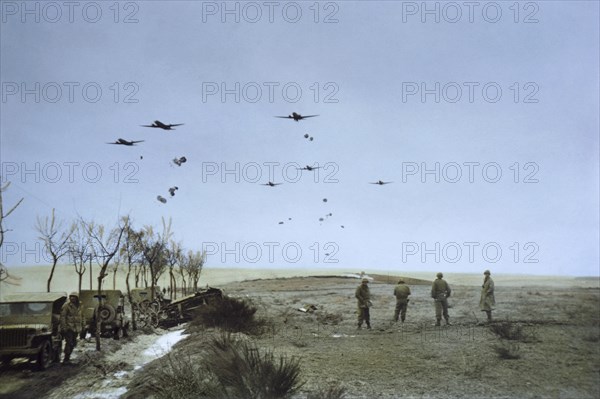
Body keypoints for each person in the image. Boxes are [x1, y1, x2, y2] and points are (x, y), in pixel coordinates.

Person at [60, 292, 84, 364]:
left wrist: (83, 325)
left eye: (74, 297)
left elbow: (82, 316)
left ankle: (68, 357)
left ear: (77, 298)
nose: (72, 298)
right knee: (69, 343)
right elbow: (63, 317)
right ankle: (66, 359)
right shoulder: (66, 305)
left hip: (76, 328)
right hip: (69, 328)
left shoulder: (80, 306)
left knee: (73, 343)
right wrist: (64, 327)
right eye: (71, 297)